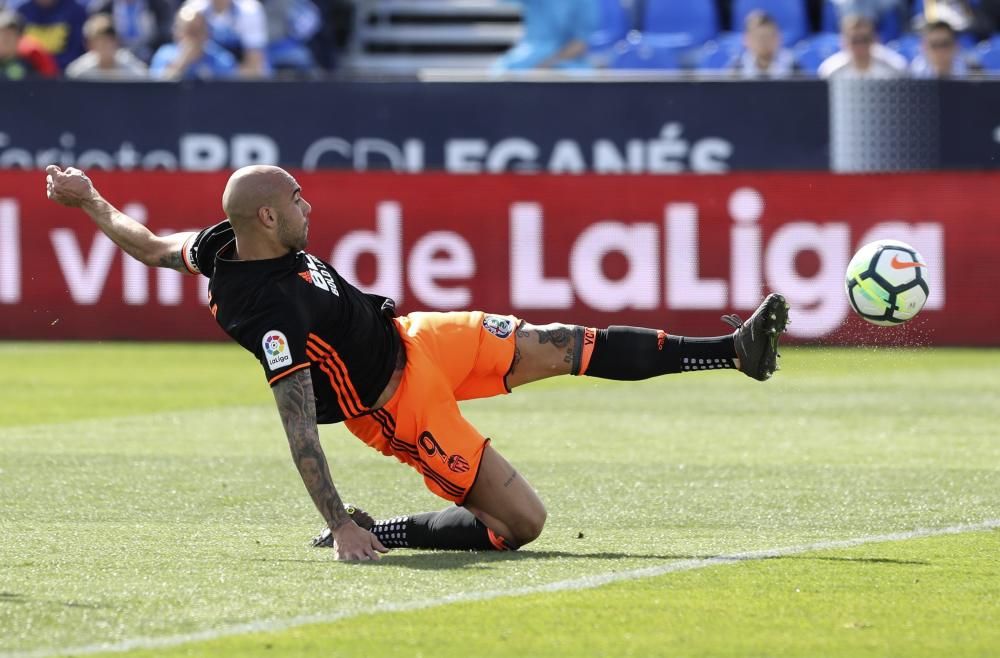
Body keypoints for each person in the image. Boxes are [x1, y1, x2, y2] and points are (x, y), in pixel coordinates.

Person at [45, 164, 790, 561]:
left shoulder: (218, 244)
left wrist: (88, 200)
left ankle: (733, 351)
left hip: (416, 339)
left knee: (565, 342)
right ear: (269, 217)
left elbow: (146, 244)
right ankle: (394, 530)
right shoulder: (270, 312)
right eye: (297, 199)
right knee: (522, 524)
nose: (311, 206)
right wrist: (340, 523)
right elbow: (299, 426)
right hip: (397, 406)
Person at [495, 0, 598, 71]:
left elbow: (580, 44)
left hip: (569, 65)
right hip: (526, 62)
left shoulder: (585, 2)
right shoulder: (514, 65)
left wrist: (547, 65)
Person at [180, 0, 269, 77]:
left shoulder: (250, 10)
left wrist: (223, 75)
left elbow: (255, 65)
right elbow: (186, 54)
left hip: (241, 83)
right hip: (204, 81)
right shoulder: (192, 9)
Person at [149, 5, 237, 80]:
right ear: (176, 33)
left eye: (196, 32)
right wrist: (182, 63)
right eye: (186, 31)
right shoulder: (164, 55)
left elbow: (230, 93)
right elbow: (157, 90)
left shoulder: (222, 60)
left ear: (206, 33)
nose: (191, 39)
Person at [818, 13, 907, 79]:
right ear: (844, 42)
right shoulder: (830, 71)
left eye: (865, 39)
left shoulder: (894, 68)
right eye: (855, 40)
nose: (860, 45)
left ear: (875, 40)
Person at [88, 0, 174, 63]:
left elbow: (164, 36)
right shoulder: (102, 8)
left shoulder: (160, 6)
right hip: (114, 59)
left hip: (150, 59)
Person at [66, 13, 148, 79]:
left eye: (108, 42)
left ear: (116, 42)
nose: (105, 48)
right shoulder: (79, 71)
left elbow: (144, 78)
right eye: (100, 44)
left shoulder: (130, 65)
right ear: (90, 45)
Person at [14, 0, 87, 70]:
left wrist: (52, 68)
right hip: (30, 74)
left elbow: (77, 48)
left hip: (65, 74)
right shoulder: (22, 11)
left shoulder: (76, 11)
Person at [735, 10, 798, 79]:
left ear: (779, 38)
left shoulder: (793, 66)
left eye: (768, 37)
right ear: (746, 40)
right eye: (758, 37)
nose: (763, 42)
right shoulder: (736, 68)